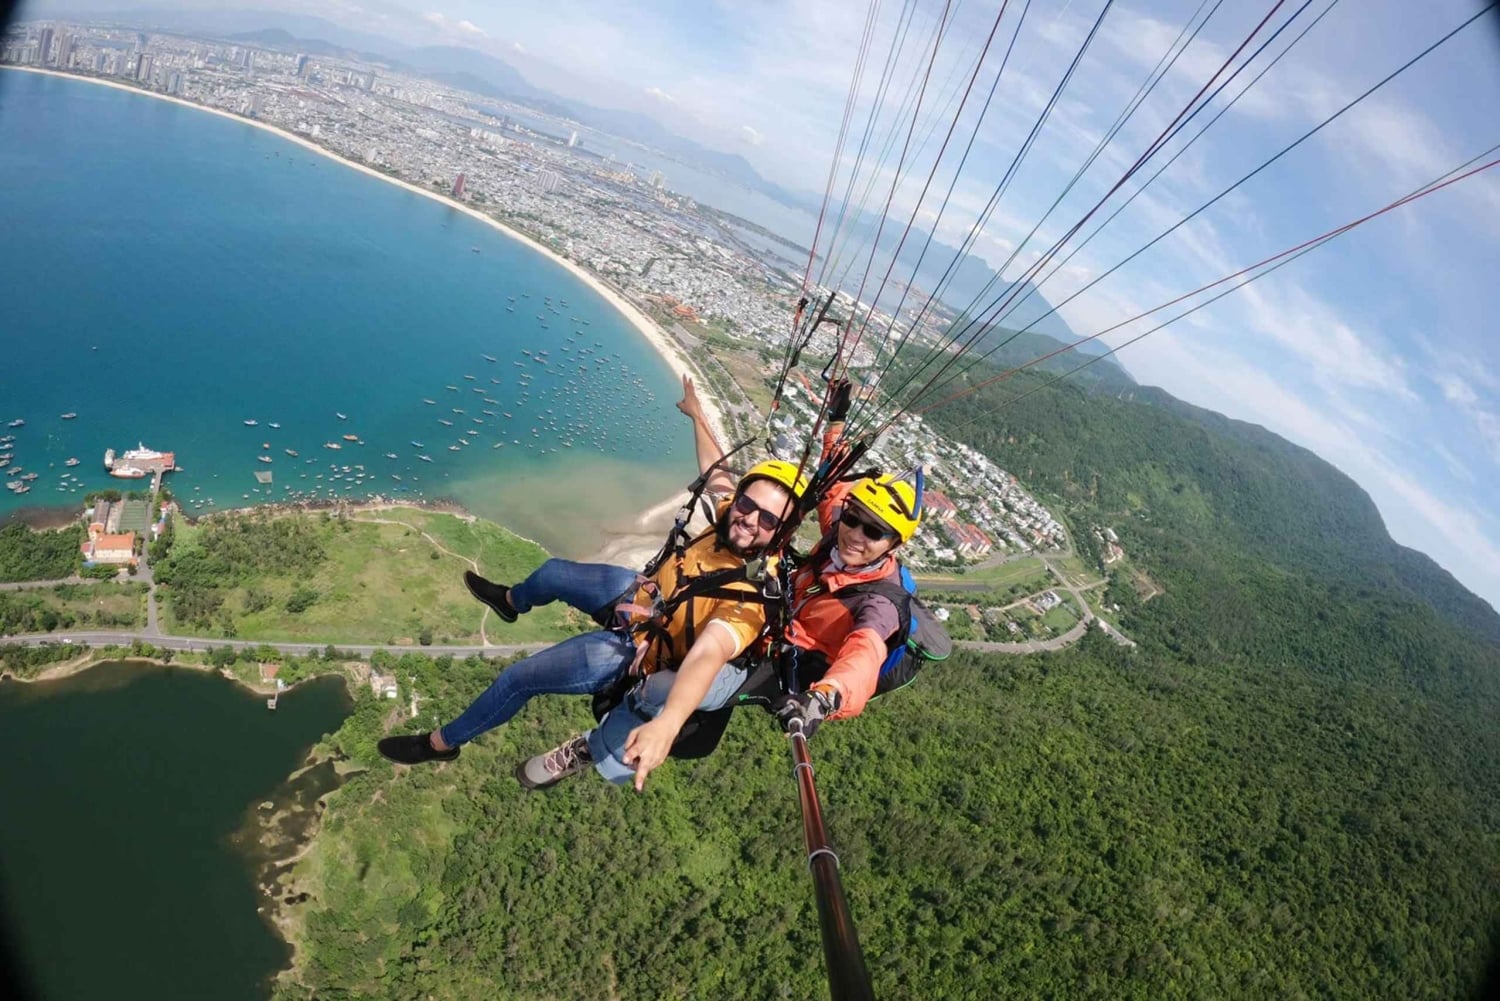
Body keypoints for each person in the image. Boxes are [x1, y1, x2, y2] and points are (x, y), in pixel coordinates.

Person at [377, 376, 806, 795]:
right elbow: (718, 474)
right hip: (641, 599)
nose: (750, 519)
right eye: (748, 505)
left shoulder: (752, 597)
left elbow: (709, 656)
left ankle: (440, 744)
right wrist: (696, 416)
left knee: (517, 679)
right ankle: (511, 601)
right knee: (553, 573)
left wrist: (669, 722)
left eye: (768, 519)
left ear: (781, 533)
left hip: (641, 652)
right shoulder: (732, 520)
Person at [521, 379, 924, 789]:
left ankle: (593, 749)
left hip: (784, 666)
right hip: (768, 611)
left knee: (664, 686)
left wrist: (824, 698)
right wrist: (835, 420)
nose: (855, 534)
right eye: (852, 519)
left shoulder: (879, 604)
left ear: (893, 544)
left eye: (872, 532)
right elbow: (830, 481)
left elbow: (864, 655)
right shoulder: (840, 535)